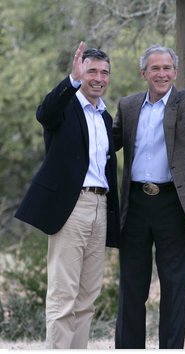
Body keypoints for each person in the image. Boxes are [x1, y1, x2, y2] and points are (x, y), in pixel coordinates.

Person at [112, 45, 185, 349]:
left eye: (167, 68)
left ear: (175, 72)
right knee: (131, 287)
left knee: (174, 286)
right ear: (144, 73)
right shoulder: (127, 106)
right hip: (135, 205)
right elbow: (106, 144)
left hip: (173, 205)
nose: (162, 74)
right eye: (155, 68)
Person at [15, 41, 120, 349]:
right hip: (72, 207)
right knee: (64, 295)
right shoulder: (65, 108)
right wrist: (71, 82)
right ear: (80, 72)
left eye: (104, 72)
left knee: (88, 297)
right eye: (91, 72)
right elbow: (45, 113)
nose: (98, 78)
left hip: (101, 207)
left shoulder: (105, 118)